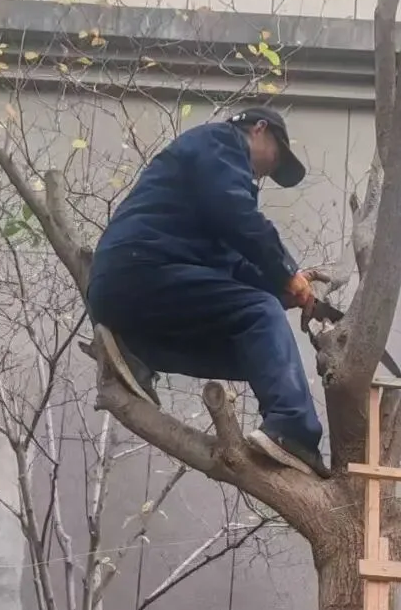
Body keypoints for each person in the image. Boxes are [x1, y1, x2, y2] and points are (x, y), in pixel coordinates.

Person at [85, 105, 329, 478]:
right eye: (275, 158)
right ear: (259, 129)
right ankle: (293, 429)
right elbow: (238, 216)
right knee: (261, 313)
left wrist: (283, 289)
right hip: (144, 269)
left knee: (258, 350)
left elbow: (232, 262)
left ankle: (134, 350)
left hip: (135, 293)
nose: (266, 173)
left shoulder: (208, 185)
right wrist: (286, 271)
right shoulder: (220, 142)